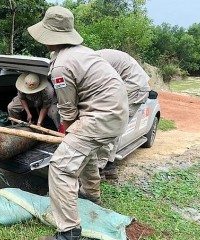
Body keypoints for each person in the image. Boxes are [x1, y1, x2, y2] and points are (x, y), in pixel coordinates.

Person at [27, 6, 129, 240]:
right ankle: (92, 197)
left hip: (99, 117)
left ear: (51, 37)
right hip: (115, 115)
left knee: (61, 167)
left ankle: (69, 231)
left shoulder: (62, 64)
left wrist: (67, 131)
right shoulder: (82, 52)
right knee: (88, 153)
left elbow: (67, 108)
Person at [95, 49, 151, 179]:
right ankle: (109, 166)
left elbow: (98, 87)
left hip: (132, 88)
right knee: (115, 127)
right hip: (136, 85)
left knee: (108, 126)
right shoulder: (93, 56)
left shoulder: (92, 61)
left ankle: (98, 168)